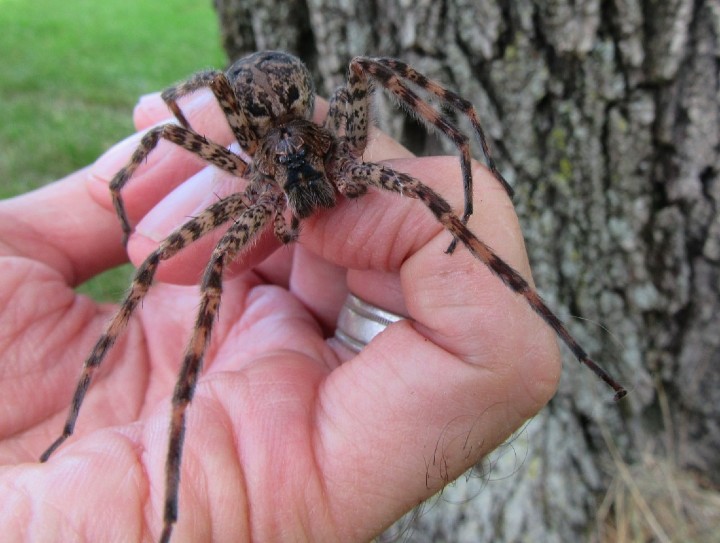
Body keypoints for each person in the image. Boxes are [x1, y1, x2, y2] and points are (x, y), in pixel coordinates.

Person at [0, 89, 560, 541]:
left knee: (416, 175)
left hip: (309, 139)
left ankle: (542, 313)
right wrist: (133, 169)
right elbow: (171, 129)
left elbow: (420, 103)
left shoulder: (343, 147)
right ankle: (112, 442)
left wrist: (466, 152)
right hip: (260, 168)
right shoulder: (249, 179)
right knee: (172, 261)